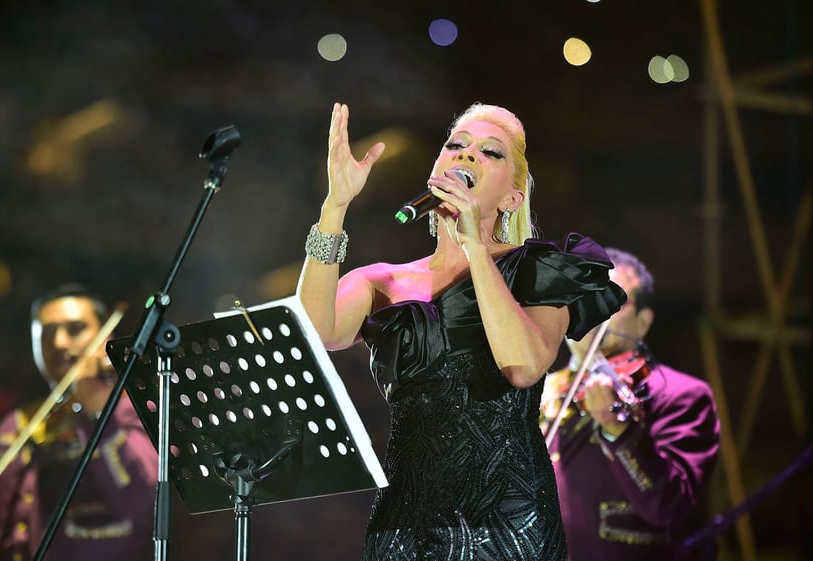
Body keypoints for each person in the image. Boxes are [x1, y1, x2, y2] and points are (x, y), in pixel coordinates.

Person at [296, 102, 625, 560]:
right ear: (434, 172)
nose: (467, 155)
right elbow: (312, 333)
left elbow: (525, 366)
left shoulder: (538, 269)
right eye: (456, 145)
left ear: (511, 196)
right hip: (404, 524)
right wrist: (335, 205)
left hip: (507, 523)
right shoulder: (383, 281)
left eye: (491, 152)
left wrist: (474, 245)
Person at [540, 248, 721, 561]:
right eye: (582, 296)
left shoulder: (681, 396)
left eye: (612, 299)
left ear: (643, 322)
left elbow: (670, 507)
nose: (595, 310)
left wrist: (619, 429)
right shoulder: (544, 391)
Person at [0, 284, 158, 561]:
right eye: (46, 334)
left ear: (105, 336)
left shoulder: (139, 413)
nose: (59, 343)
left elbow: (142, 501)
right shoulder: (23, 422)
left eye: (75, 329)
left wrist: (97, 413)